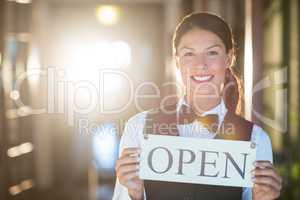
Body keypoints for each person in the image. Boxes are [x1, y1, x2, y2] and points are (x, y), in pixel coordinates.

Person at [112, 12, 282, 200]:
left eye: (212, 53)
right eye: (189, 54)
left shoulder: (256, 139)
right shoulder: (138, 127)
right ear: (177, 61)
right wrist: (134, 194)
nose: (201, 64)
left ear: (229, 58)